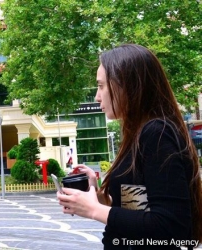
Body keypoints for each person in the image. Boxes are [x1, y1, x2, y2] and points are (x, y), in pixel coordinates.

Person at [56, 44, 202, 249]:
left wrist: (93, 210)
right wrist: (97, 196)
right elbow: (138, 209)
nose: (97, 97)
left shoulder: (156, 134)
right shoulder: (139, 134)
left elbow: (170, 226)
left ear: (127, 85)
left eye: (101, 86)